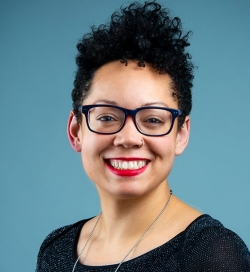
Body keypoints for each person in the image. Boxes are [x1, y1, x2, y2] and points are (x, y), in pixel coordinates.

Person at [36, 1, 250, 271]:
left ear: (181, 134)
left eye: (152, 120)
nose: (128, 137)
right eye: (106, 117)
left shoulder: (213, 255)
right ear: (76, 130)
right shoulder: (56, 248)